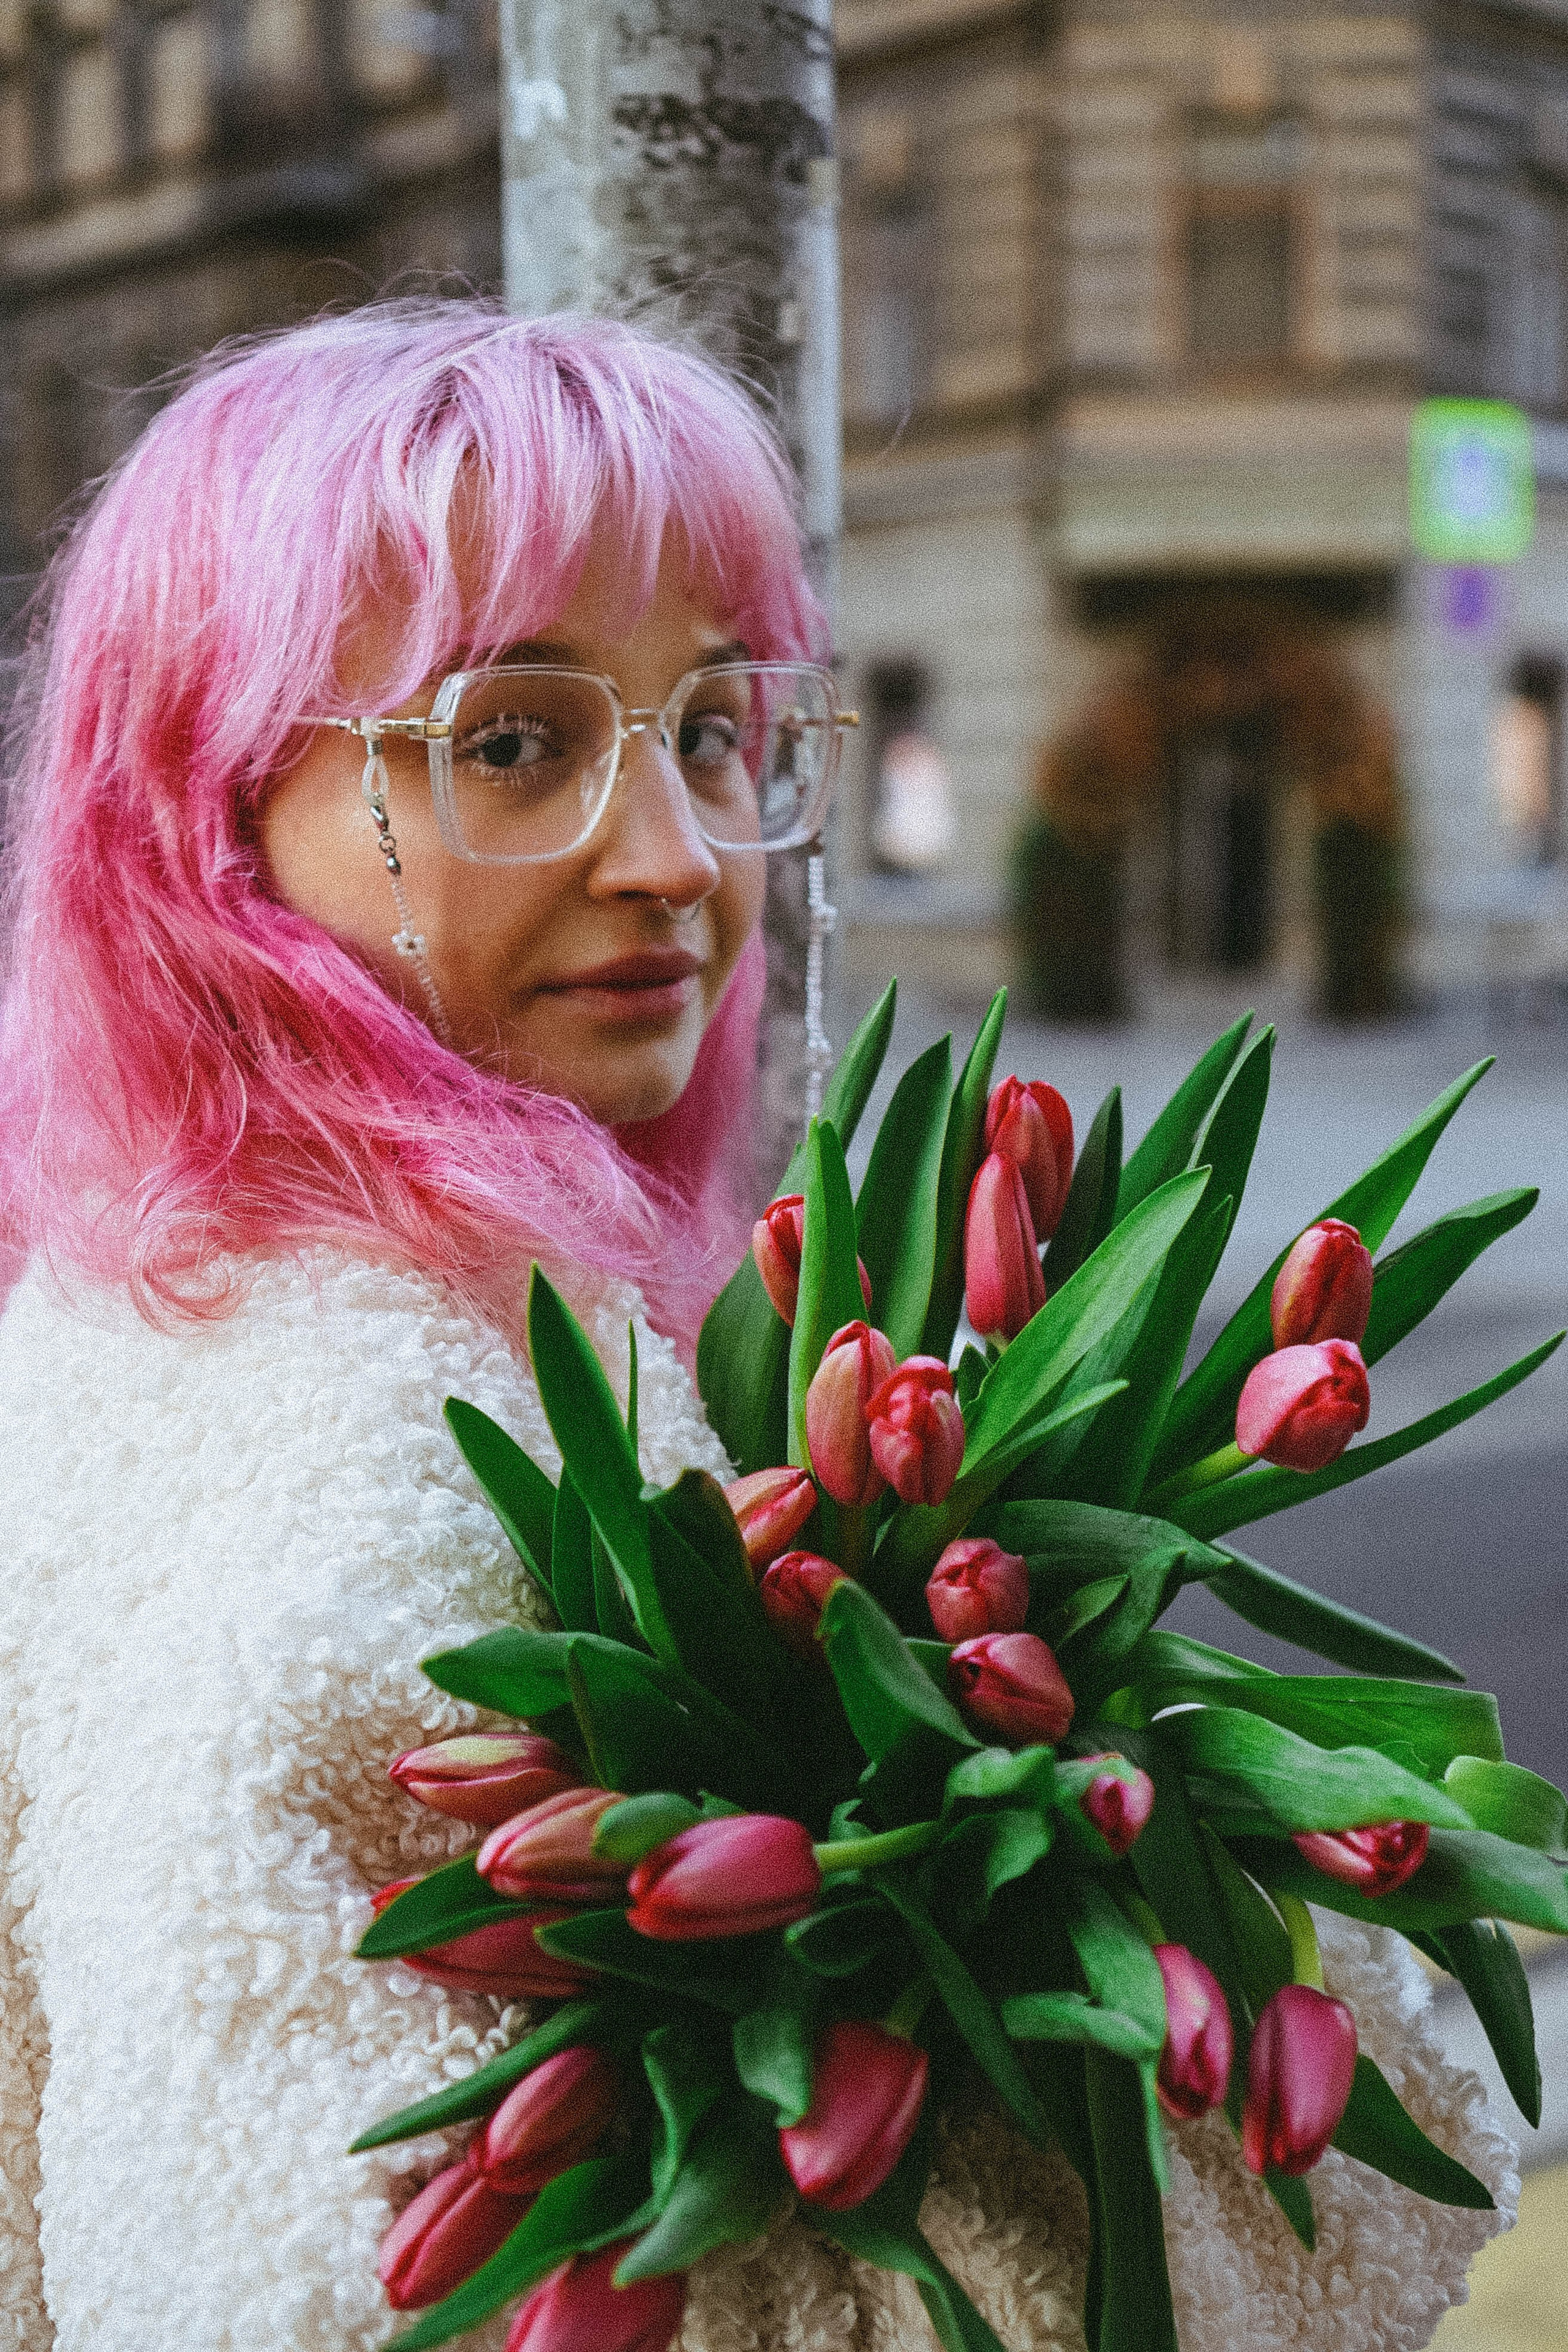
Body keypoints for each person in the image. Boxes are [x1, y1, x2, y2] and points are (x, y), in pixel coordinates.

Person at [0, 303, 1514, 2352]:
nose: (676, 858)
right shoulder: (383, 1456)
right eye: (512, 742)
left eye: (713, 729)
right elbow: (314, 2296)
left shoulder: (142, 1298)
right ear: (210, 814)